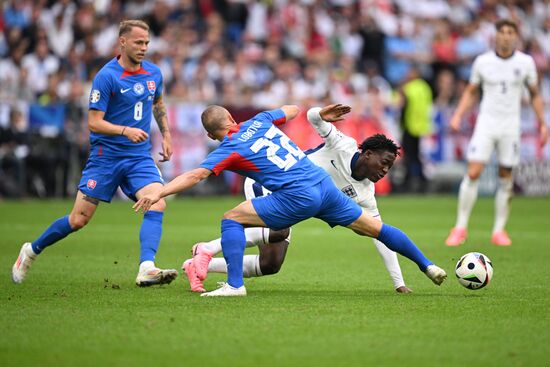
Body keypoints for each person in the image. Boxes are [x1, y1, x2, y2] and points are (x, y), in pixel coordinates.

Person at [134, 103, 447, 297]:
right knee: (376, 228)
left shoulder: (227, 149)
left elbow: (195, 176)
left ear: (211, 135)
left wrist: (159, 190)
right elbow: (293, 110)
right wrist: (299, 114)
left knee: (231, 218)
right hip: (323, 186)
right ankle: (428, 266)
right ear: (231, 117)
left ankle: (233, 284)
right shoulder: (259, 120)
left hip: (296, 194)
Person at [12, 20, 178, 286]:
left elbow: (157, 102)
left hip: (138, 157)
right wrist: (125, 131)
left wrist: (167, 135)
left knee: (157, 201)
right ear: (122, 42)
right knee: (78, 220)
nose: (144, 47)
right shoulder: (107, 76)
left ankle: (147, 266)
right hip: (106, 157)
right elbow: (94, 122)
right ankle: (31, 250)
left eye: (146, 42)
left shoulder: (154, 73)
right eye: (138, 42)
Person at [182, 115, 412, 294]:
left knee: (270, 264)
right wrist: (320, 113)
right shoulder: (342, 146)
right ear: (368, 154)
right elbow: (313, 116)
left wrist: (398, 283)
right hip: (273, 185)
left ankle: (198, 264)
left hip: (304, 198)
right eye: (383, 164)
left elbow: (379, 234)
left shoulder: (365, 192)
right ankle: (208, 249)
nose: (385, 171)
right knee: (278, 230)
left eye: (389, 168)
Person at [445, 19, 549, 247]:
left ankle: (499, 230)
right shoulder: (483, 62)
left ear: (516, 36)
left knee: (506, 177)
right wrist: (458, 114)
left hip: (511, 126)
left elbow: (534, 94)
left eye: (510, 32)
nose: (506, 36)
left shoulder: (525, 62)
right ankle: (460, 227)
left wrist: (542, 123)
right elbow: (472, 91)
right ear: (496, 35)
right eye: (502, 31)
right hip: (486, 124)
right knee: (473, 172)